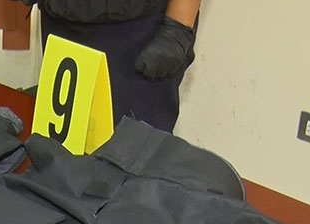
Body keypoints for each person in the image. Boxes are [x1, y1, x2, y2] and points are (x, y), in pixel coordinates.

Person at [26, 0, 201, 132]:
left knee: (132, 158)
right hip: (61, 19)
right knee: (57, 154)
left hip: (137, 34)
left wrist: (178, 26)